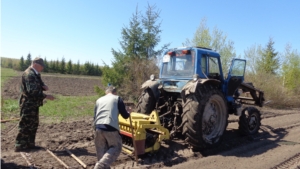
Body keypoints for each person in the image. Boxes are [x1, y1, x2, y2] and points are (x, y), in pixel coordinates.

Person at [15, 57, 55, 152]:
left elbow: (39, 83)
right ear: (36, 64)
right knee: (25, 124)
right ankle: (20, 145)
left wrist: (44, 86)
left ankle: (30, 144)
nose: (42, 68)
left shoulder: (35, 74)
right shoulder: (29, 74)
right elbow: (32, 91)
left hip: (33, 104)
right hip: (28, 104)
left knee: (33, 124)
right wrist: (46, 96)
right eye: (42, 66)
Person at [93, 86, 131, 169]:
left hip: (98, 127)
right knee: (116, 147)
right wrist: (128, 112)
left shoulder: (99, 100)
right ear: (115, 92)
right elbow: (124, 115)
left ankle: (103, 166)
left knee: (101, 150)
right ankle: (99, 166)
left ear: (106, 92)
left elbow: (95, 116)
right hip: (110, 127)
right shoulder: (117, 99)